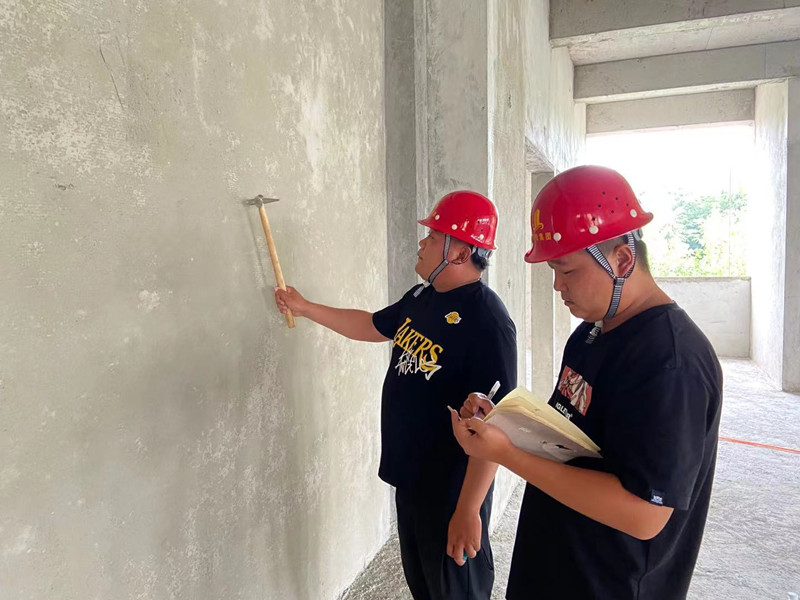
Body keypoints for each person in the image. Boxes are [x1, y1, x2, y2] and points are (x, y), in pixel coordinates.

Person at [450, 166, 722, 600]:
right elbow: (571, 439)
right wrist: (504, 426)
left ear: (622, 260)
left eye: (568, 271)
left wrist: (507, 455)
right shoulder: (590, 333)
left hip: (607, 582)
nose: (557, 285)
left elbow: (644, 514)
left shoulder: (672, 362)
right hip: (557, 561)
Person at [275, 191, 517, 600]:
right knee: (423, 585)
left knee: (456, 591)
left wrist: (468, 509)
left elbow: (495, 427)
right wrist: (306, 308)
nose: (422, 243)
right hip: (411, 476)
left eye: (433, 236)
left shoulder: (487, 320)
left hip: (451, 489)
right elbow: (372, 325)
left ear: (460, 252)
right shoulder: (421, 298)